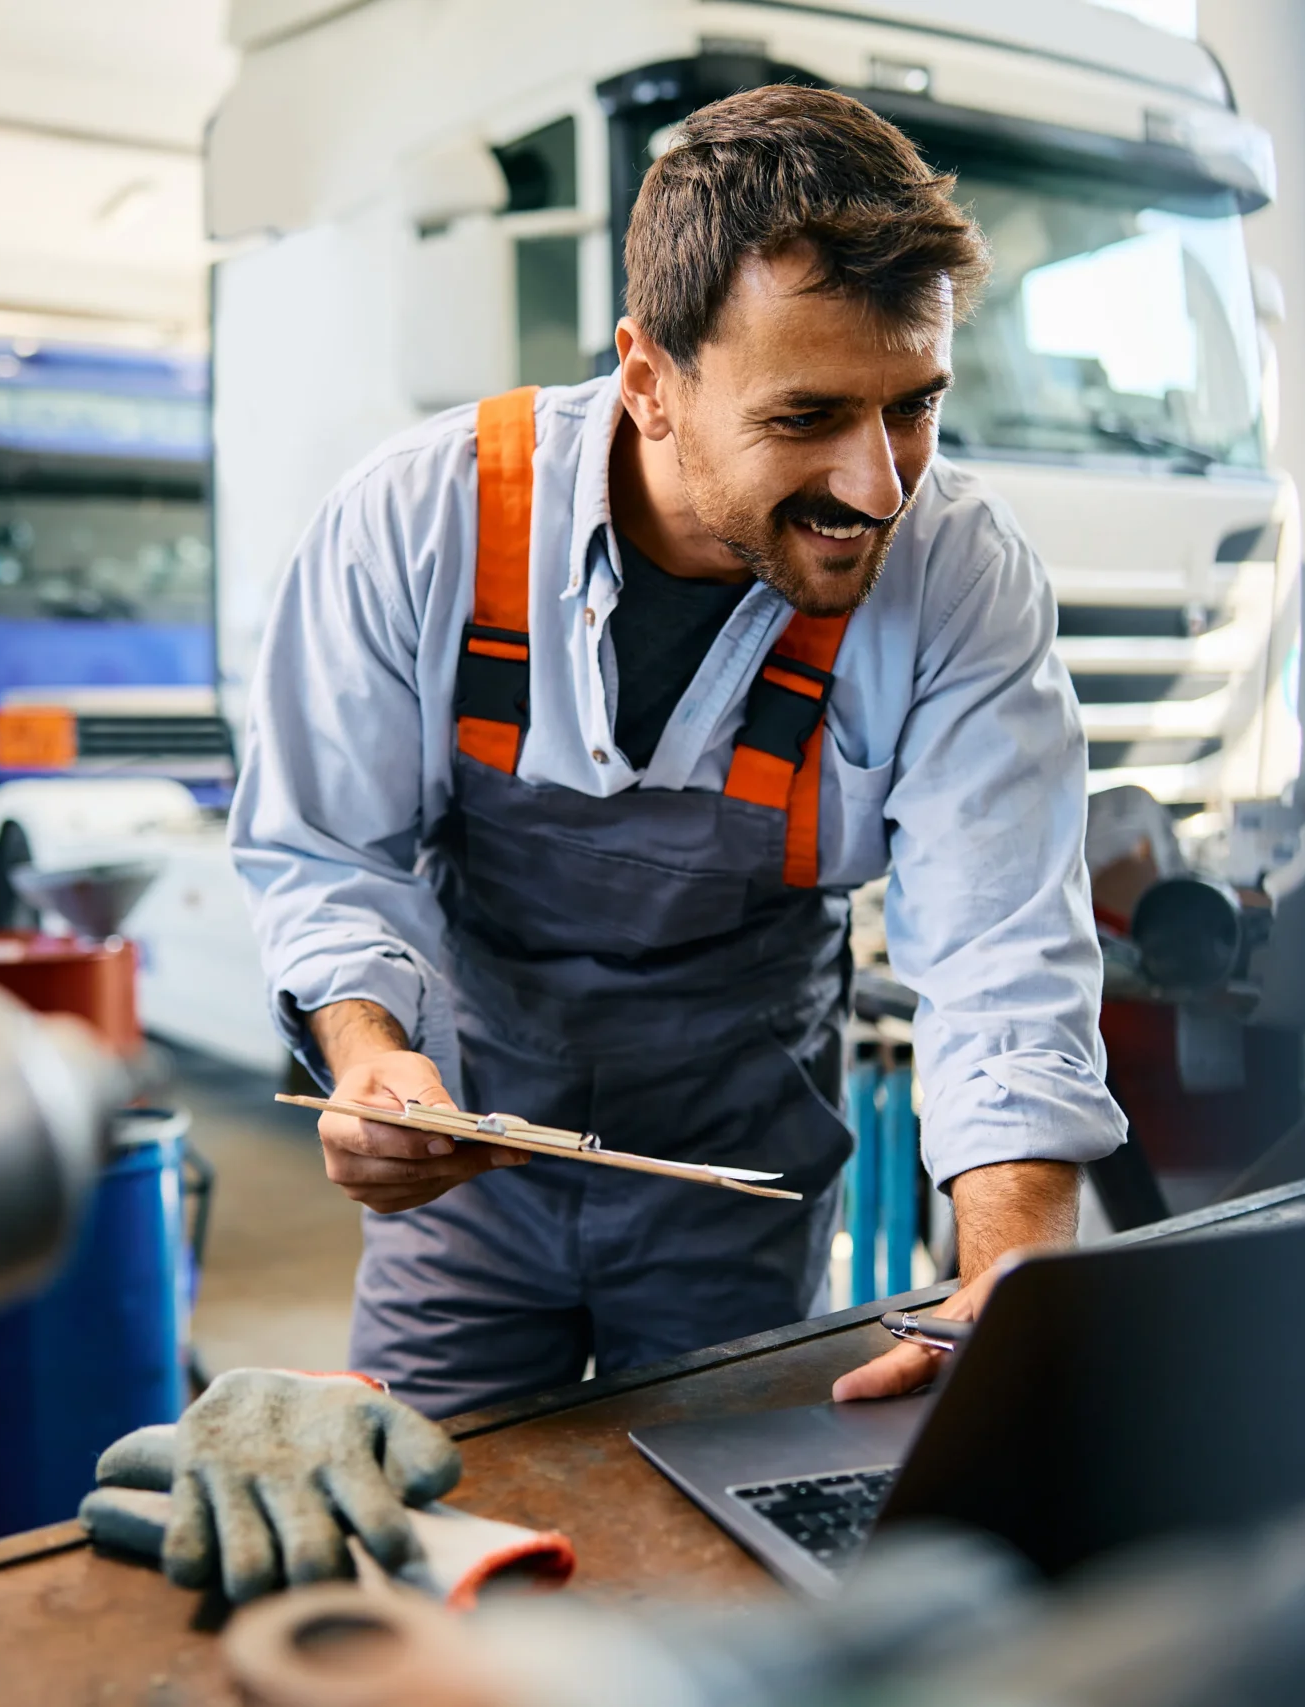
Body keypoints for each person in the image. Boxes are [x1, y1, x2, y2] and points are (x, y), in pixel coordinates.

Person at [231, 85, 1127, 1418]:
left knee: (712, 1543)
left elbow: (1001, 956)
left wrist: (1014, 1270)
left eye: (914, 408)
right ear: (649, 382)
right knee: (430, 1523)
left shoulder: (954, 574)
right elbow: (323, 850)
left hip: (738, 1177)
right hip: (470, 1170)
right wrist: (370, 1060)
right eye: (808, 415)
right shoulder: (419, 523)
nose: (879, 486)